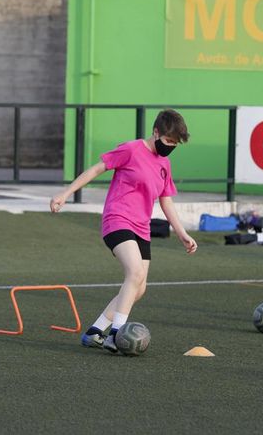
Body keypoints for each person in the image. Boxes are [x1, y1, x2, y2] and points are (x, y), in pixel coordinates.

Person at [50, 109, 198, 352]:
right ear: (156, 132)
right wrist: (66, 193)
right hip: (117, 219)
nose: (170, 146)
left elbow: (166, 200)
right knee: (135, 272)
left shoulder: (165, 164)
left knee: (139, 288)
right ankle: (116, 334)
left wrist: (181, 233)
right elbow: (97, 169)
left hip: (142, 228)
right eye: (168, 140)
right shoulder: (131, 149)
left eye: (175, 144)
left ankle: (95, 331)